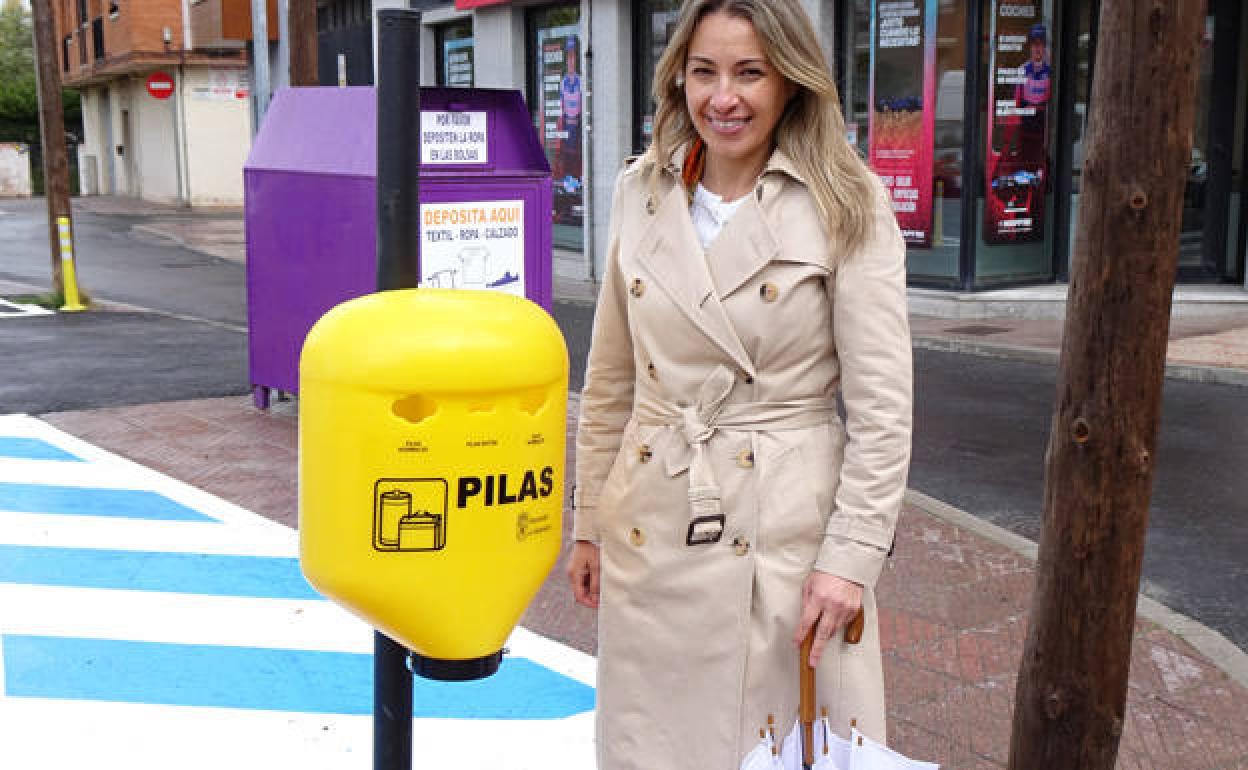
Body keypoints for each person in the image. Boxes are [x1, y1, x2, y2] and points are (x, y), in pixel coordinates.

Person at [566, 1, 912, 769]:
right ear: (677, 80)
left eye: (750, 73)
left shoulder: (846, 200)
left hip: (783, 541)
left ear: (790, 81)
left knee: (766, 748)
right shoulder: (641, 190)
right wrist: (588, 520)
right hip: (654, 519)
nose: (724, 98)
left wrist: (849, 559)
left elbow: (884, 410)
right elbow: (613, 377)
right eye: (705, 72)